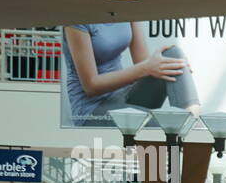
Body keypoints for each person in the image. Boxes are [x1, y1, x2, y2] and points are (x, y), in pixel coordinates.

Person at [61, 22, 201, 128]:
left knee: (173, 55)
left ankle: (193, 122)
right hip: (92, 109)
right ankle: (191, 132)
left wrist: (167, 64)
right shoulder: (77, 20)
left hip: (124, 96)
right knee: (170, 125)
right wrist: (147, 67)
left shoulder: (125, 7)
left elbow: (143, 62)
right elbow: (91, 86)